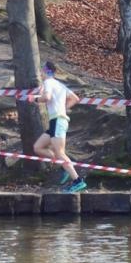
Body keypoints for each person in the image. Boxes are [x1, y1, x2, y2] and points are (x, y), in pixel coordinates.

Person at [34, 61, 85, 192]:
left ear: (45, 71)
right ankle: (64, 167)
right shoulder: (59, 85)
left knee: (60, 152)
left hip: (58, 121)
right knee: (38, 147)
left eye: (41, 70)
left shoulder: (49, 83)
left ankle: (78, 181)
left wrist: (34, 99)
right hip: (55, 122)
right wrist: (63, 108)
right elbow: (75, 98)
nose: (40, 73)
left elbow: (47, 97)